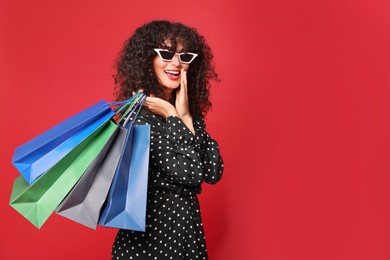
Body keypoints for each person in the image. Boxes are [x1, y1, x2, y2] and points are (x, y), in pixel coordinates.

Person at [111, 20, 224, 260]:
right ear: (146, 60)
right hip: (149, 243)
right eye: (166, 53)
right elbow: (192, 173)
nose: (176, 63)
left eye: (184, 56)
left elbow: (213, 172)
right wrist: (174, 116)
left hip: (187, 236)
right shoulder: (138, 120)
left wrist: (184, 116)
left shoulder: (187, 113)